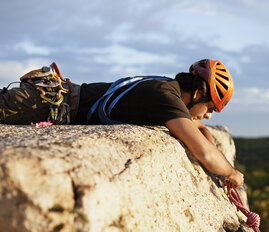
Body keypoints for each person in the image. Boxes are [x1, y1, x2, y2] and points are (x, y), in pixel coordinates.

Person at [0, 59, 244, 187]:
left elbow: (199, 129)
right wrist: (233, 173)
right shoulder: (166, 99)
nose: (209, 116)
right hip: (41, 103)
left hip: (57, 99)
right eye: (211, 108)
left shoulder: (167, 88)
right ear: (199, 94)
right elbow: (205, 153)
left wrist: (207, 136)